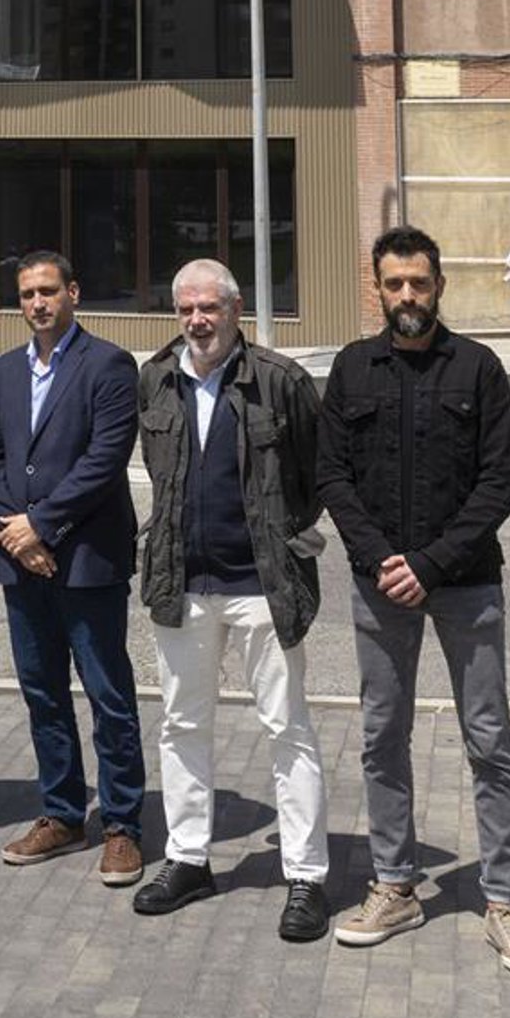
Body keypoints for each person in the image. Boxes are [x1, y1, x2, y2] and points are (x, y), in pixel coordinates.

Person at [317, 225, 510, 978]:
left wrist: (430, 563)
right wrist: (382, 560)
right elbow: (332, 476)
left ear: (439, 285)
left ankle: (504, 899)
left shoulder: (479, 368)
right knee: (382, 735)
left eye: (419, 282)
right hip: (379, 584)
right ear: (377, 288)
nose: (408, 295)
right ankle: (395, 885)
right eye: (395, 283)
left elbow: (501, 479)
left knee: (489, 739)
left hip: (467, 583)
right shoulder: (352, 368)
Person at [133, 260, 331, 941]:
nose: (198, 320)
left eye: (209, 307)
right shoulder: (157, 378)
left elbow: (315, 476)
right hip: (183, 584)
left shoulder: (280, 380)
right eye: (186, 308)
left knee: (287, 729)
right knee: (181, 724)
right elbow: (160, 473)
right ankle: (188, 858)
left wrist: (281, 534)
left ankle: (305, 874)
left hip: (262, 586)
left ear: (236, 309)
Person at [0, 249, 146, 886]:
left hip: (87, 561)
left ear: (73, 293)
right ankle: (64, 813)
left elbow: (105, 458)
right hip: (23, 563)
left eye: (48, 291)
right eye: (27, 294)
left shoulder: (109, 364)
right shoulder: (4, 370)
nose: (37, 303)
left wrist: (42, 525)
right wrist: (16, 533)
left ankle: (122, 824)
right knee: (42, 693)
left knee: (108, 695)